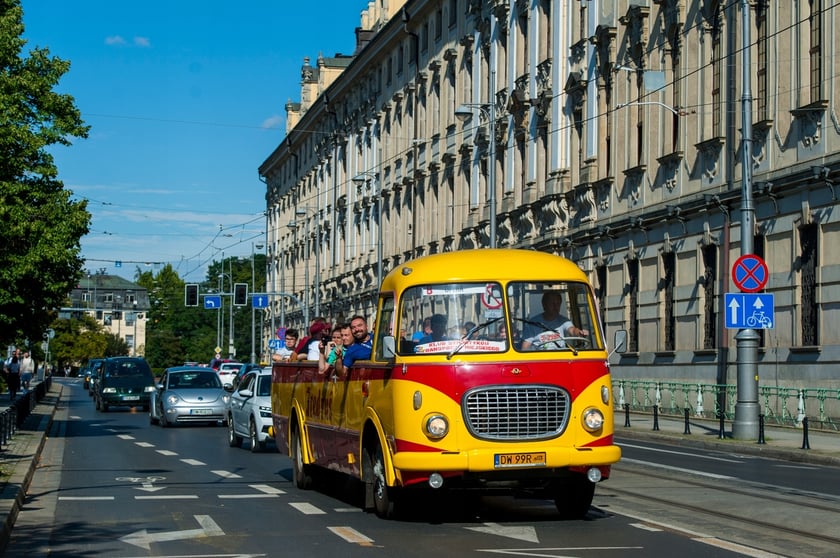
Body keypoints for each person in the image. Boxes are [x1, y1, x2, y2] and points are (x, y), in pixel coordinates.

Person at [521, 291, 589, 350]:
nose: (555, 307)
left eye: (558, 304)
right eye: (552, 304)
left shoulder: (563, 321)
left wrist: (579, 333)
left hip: (560, 358)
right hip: (541, 359)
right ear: (544, 305)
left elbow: (572, 330)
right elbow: (525, 348)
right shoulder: (532, 324)